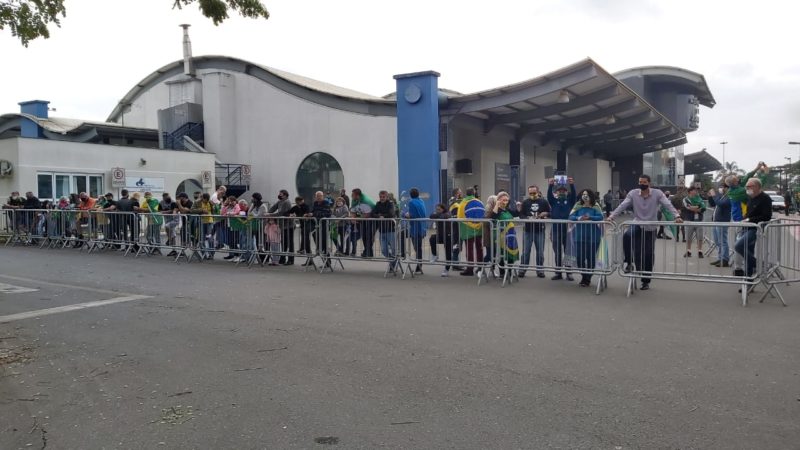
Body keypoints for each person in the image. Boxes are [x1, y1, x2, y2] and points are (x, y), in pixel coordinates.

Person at [609, 174, 682, 291]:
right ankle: (628, 261)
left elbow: (668, 205)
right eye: (640, 182)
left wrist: (677, 216)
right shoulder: (633, 193)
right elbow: (623, 205)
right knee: (627, 236)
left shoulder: (657, 193)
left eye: (644, 182)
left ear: (649, 183)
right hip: (637, 223)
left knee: (648, 254)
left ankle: (646, 280)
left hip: (650, 227)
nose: (642, 184)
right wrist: (612, 216)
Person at [734, 178, 772, 280]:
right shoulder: (750, 197)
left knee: (739, 246)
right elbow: (749, 213)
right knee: (748, 251)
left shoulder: (765, 198)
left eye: (749, 186)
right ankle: (748, 280)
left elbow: (766, 216)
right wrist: (744, 220)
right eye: (747, 186)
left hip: (756, 229)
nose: (747, 188)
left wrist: (749, 220)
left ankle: (759, 265)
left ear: (757, 187)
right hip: (747, 227)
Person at [569, 190, 605, 287]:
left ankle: (587, 279)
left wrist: (590, 218)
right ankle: (585, 276)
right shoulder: (577, 205)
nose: (585, 196)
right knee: (580, 258)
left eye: (587, 194)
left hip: (593, 237)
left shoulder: (596, 206)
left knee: (590, 258)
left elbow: (600, 217)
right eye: (583, 194)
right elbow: (571, 216)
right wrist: (578, 218)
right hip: (579, 236)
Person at [517, 185, 550, 278]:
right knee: (525, 251)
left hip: (540, 230)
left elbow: (550, 212)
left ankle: (540, 270)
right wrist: (526, 218)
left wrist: (546, 213)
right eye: (530, 193)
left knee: (540, 252)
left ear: (538, 192)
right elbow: (521, 214)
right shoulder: (525, 202)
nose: (532, 195)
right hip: (527, 230)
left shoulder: (544, 202)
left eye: (534, 193)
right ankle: (522, 269)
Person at [547, 177, 576, 281]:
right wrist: (550, 185)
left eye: (564, 191)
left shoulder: (569, 201)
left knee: (568, 252)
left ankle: (569, 272)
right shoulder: (554, 202)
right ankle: (558, 272)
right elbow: (549, 196)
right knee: (557, 252)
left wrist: (572, 185)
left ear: (566, 192)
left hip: (567, 230)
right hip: (556, 230)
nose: (562, 192)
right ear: (557, 192)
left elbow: (574, 196)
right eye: (560, 191)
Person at [456, 187, 484, 276]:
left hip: (467, 229)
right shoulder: (480, 202)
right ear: (474, 193)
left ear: (466, 193)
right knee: (479, 249)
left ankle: (470, 269)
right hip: (479, 228)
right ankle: (480, 267)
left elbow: (459, 217)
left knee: (469, 249)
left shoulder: (463, 203)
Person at [491, 191, 519, 276]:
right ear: (499, 200)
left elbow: (515, 214)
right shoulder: (497, 209)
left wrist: (518, 207)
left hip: (510, 235)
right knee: (501, 254)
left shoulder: (508, 209)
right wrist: (497, 205)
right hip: (501, 235)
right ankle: (502, 272)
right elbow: (493, 217)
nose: (505, 202)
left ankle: (510, 272)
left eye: (507, 200)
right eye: (503, 200)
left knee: (511, 253)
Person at [429, 203, 457, 277]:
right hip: (440, 235)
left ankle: (446, 270)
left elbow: (443, 217)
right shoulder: (439, 213)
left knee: (448, 253)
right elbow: (431, 216)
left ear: (443, 209)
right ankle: (434, 255)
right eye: (436, 209)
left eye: (439, 209)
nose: (437, 211)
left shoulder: (448, 213)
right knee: (432, 238)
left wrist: (437, 215)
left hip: (448, 236)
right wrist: (437, 214)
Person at [373, 190, 397, 270]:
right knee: (383, 250)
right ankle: (393, 260)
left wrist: (381, 215)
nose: (382, 198)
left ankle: (393, 264)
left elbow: (391, 214)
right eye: (380, 197)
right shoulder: (377, 204)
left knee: (394, 249)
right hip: (382, 230)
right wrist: (379, 216)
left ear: (387, 197)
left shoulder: (390, 204)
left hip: (390, 230)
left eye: (383, 197)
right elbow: (373, 213)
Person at [708, 185, 731, 267]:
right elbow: (713, 204)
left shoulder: (729, 197)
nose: (722, 189)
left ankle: (725, 259)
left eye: (724, 187)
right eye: (721, 187)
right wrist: (711, 197)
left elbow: (720, 204)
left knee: (722, 241)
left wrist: (714, 195)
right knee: (717, 241)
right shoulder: (722, 196)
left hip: (722, 221)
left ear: (728, 188)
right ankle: (720, 258)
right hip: (716, 221)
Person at [268, 190, 293, 265]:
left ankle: (290, 260)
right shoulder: (279, 201)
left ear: (285, 195)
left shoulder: (287, 202)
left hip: (288, 225)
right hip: (282, 225)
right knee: (284, 243)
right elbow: (272, 208)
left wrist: (270, 215)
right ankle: (283, 258)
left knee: (289, 243)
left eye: (280, 194)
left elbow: (281, 213)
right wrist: (268, 213)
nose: (279, 195)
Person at [406, 188, 427, 274]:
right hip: (422, 227)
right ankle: (419, 265)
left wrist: (405, 214)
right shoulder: (421, 201)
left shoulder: (411, 202)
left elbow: (412, 215)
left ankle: (419, 265)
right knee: (419, 247)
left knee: (417, 247)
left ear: (410, 195)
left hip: (415, 227)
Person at [681, 186, 706, 258]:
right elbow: (688, 207)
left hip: (699, 220)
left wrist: (697, 208)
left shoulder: (699, 198)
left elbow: (703, 207)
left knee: (700, 237)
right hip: (689, 220)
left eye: (696, 190)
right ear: (690, 192)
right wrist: (698, 207)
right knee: (688, 237)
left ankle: (700, 251)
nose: (696, 192)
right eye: (694, 190)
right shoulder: (685, 199)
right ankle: (688, 251)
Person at [351, 188, 376, 257]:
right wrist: (353, 218)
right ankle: (368, 252)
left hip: (371, 220)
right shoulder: (354, 200)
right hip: (363, 220)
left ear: (357, 195)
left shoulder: (365, 201)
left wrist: (356, 218)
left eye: (353, 195)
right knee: (364, 237)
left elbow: (367, 215)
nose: (351, 196)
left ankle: (368, 252)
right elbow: (352, 211)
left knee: (369, 237)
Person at [288, 196, 312, 264]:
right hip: (302, 225)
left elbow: (308, 212)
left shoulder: (306, 206)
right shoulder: (296, 207)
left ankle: (302, 249)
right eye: (298, 202)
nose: (299, 203)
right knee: (305, 239)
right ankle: (304, 251)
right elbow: (289, 211)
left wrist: (306, 215)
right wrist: (291, 215)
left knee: (306, 239)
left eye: (300, 201)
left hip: (307, 225)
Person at [311, 191, 332, 260]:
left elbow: (326, 213)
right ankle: (319, 248)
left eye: (320, 196)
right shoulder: (315, 203)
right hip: (317, 225)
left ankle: (327, 261)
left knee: (324, 242)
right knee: (314, 235)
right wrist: (310, 214)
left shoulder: (326, 202)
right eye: (317, 196)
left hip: (324, 225)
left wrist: (314, 214)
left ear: (322, 196)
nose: (318, 197)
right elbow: (313, 211)